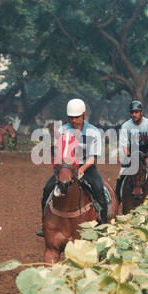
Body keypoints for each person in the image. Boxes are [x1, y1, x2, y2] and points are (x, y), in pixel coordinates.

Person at [37, 98, 106, 237]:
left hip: (86, 167)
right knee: (47, 189)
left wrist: (81, 169)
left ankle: (103, 224)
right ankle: (44, 222)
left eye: (77, 117)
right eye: (70, 118)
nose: (73, 120)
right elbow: (58, 153)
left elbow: (93, 157)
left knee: (99, 188)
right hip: (66, 168)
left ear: (84, 115)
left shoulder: (93, 132)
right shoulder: (63, 130)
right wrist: (59, 169)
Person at [115, 100, 148, 203]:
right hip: (132, 152)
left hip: (147, 152)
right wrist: (129, 158)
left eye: (136, 112)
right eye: (132, 112)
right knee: (120, 175)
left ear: (141, 112)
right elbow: (125, 145)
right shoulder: (126, 126)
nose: (134, 114)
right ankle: (118, 199)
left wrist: (147, 158)